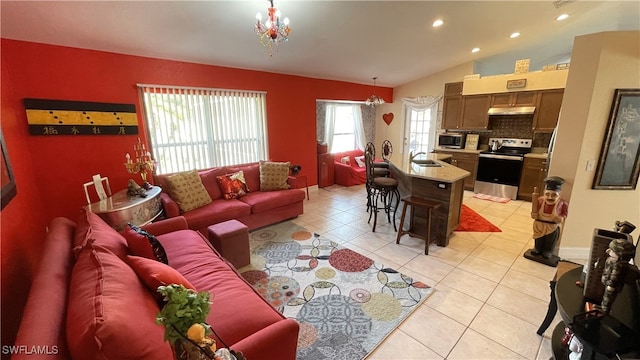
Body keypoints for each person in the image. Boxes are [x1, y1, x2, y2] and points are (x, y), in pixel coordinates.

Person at [525, 176, 569, 266]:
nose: (550, 197)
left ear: (559, 194)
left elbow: (565, 214)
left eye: (554, 195)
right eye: (547, 194)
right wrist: (534, 214)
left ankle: (548, 251)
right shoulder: (540, 200)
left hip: (552, 226)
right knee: (538, 237)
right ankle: (537, 248)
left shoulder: (562, 203)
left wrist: (561, 218)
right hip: (539, 223)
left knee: (550, 239)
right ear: (544, 193)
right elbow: (535, 209)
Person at [600, 238, 636, 314]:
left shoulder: (619, 266)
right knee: (604, 296)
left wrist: (611, 285)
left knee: (608, 298)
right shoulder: (611, 260)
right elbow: (607, 266)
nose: (609, 251)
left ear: (621, 255)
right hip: (607, 280)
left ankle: (604, 311)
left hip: (611, 286)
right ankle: (602, 307)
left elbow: (615, 277)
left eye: (613, 251)